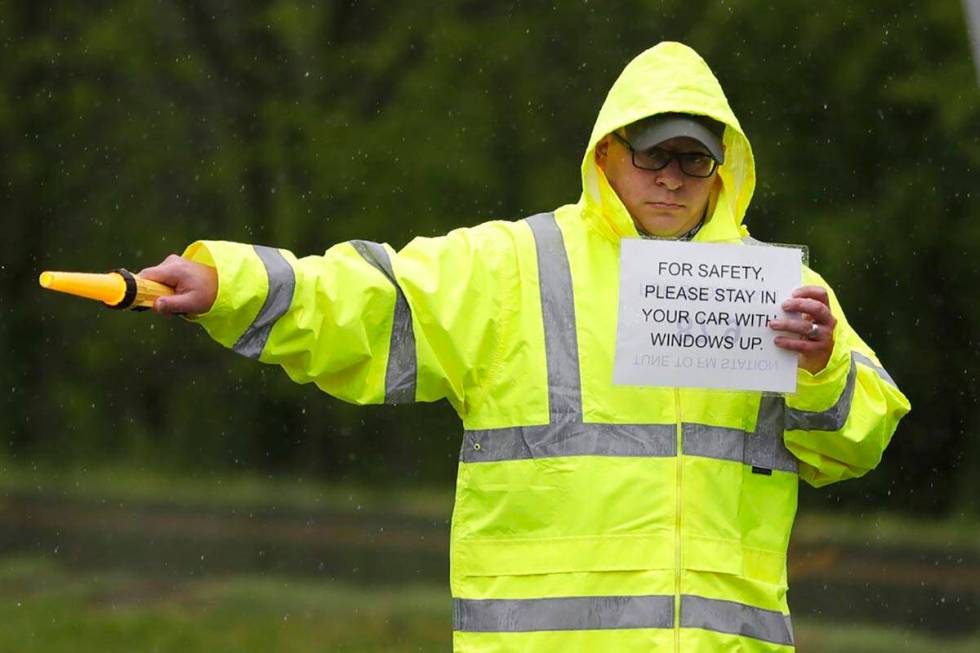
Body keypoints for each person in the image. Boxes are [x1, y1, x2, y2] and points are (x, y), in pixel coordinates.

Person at [139, 42, 910, 652]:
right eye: (653, 155)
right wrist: (229, 283)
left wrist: (822, 367)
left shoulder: (780, 292)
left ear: (721, 172)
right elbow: (371, 301)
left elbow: (861, 439)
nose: (672, 179)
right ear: (606, 154)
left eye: (694, 160)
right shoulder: (516, 265)